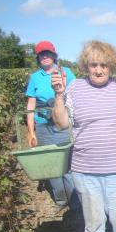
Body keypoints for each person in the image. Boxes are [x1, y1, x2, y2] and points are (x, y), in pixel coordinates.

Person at [51, 40, 116, 232]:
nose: (98, 70)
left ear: (112, 66)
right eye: (93, 65)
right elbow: (60, 123)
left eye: (104, 65)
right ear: (85, 66)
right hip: (85, 171)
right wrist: (58, 95)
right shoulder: (74, 89)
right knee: (94, 224)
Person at [25, 40, 78, 209]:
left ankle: (74, 200)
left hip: (62, 123)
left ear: (54, 55)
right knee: (51, 164)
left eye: (48, 53)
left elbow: (75, 95)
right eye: (41, 54)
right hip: (43, 125)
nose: (45, 56)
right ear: (38, 57)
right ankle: (61, 199)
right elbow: (31, 105)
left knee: (67, 162)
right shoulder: (35, 78)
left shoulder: (66, 72)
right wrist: (31, 130)